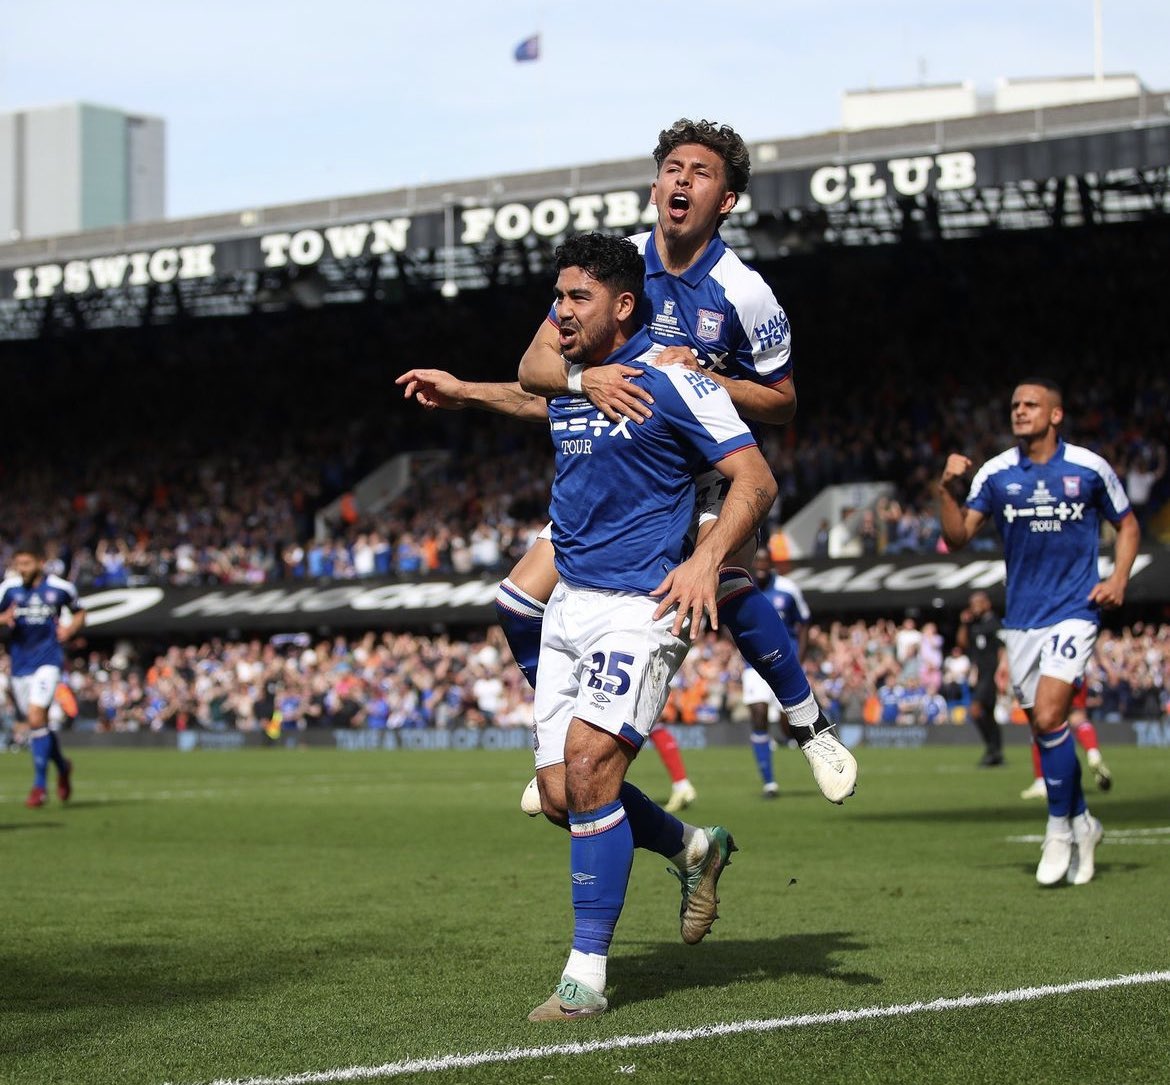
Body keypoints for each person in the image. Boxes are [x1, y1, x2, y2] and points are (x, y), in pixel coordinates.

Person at [400, 117, 857, 806]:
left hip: (698, 459)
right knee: (517, 599)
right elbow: (534, 368)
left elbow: (783, 402)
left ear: (725, 200)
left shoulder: (745, 292)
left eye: (700, 173)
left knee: (724, 579)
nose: (683, 180)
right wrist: (576, 382)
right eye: (673, 167)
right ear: (654, 186)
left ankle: (809, 722)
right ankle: (559, 743)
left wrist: (702, 376)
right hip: (623, 465)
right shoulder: (614, 268)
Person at [521, 231, 776, 1022]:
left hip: (643, 607)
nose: (561, 311)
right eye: (558, 298)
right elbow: (523, 381)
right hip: (569, 605)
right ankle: (695, 847)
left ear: (623, 305)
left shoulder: (674, 383)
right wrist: (477, 386)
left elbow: (755, 478)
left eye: (577, 299)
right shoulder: (574, 377)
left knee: (594, 763)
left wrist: (706, 560)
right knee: (565, 794)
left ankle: (585, 975)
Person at [938, 378, 1139, 886]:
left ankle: (1058, 830)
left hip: (1075, 609)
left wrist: (1117, 578)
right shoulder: (998, 473)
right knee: (1045, 730)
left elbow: (1129, 524)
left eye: (1031, 405)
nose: (1020, 411)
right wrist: (945, 489)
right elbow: (958, 537)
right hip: (1022, 619)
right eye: (1015, 406)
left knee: (1052, 713)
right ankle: (1083, 821)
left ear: (1055, 415)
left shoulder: (1090, 468)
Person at [0, 540, 86, 807]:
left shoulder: (61, 588)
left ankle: (39, 787)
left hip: (48, 661)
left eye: (26, 563)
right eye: (18, 564)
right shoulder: (8, 589)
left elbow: (80, 611)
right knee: (39, 726)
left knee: (37, 718)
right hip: (20, 665)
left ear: (39, 562)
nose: (21, 569)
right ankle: (62, 767)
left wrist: (70, 629)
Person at [742, 549, 810, 798]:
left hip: (785, 662)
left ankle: (823, 756)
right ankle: (769, 783)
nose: (760, 565)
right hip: (753, 664)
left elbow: (803, 624)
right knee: (758, 715)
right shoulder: (740, 586)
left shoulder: (788, 588)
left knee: (789, 725)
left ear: (770, 564)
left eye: (764, 561)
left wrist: (799, 660)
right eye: (756, 560)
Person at [1020, 678, 1112, 799]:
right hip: (1075, 669)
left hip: (1050, 673)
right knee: (1077, 717)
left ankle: (1041, 782)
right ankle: (1093, 752)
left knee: (1040, 725)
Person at [955, 590, 1007, 766]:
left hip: (991, 675)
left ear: (987, 604)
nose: (974, 607)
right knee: (989, 715)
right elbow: (962, 643)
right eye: (972, 604)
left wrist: (1003, 675)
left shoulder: (994, 624)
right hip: (979, 675)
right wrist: (964, 623)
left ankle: (992, 749)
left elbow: (1002, 650)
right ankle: (996, 752)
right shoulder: (974, 625)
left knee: (976, 711)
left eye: (977, 603)